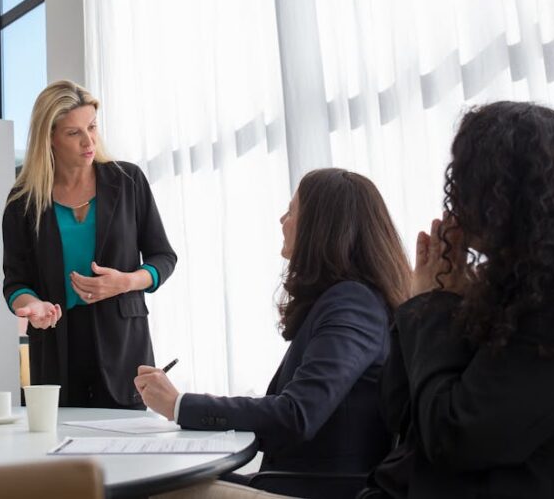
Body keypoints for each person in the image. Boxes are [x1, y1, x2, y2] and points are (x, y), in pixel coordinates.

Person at [137, 168, 411, 495]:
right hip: (295, 483)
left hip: (314, 491)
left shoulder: (352, 303)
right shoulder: (347, 300)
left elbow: (296, 414)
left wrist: (179, 404)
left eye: (292, 211)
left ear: (321, 227)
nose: (283, 220)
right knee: (163, 476)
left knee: (150, 487)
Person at [370, 102, 554, 498]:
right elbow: (402, 414)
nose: (456, 199)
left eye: (468, 180)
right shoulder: (510, 288)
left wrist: (433, 305)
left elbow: (456, 435)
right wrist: (423, 302)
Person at [2, 80, 177, 408]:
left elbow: (163, 257)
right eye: (74, 133)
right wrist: (33, 305)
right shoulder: (23, 201)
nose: (88, 141)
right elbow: (15, 281)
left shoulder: (128, 181)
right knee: (61, 436)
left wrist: (126, 282)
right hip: (57, 345)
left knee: (129, 437)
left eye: (92, 127)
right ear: (49, 137)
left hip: (124, 344)